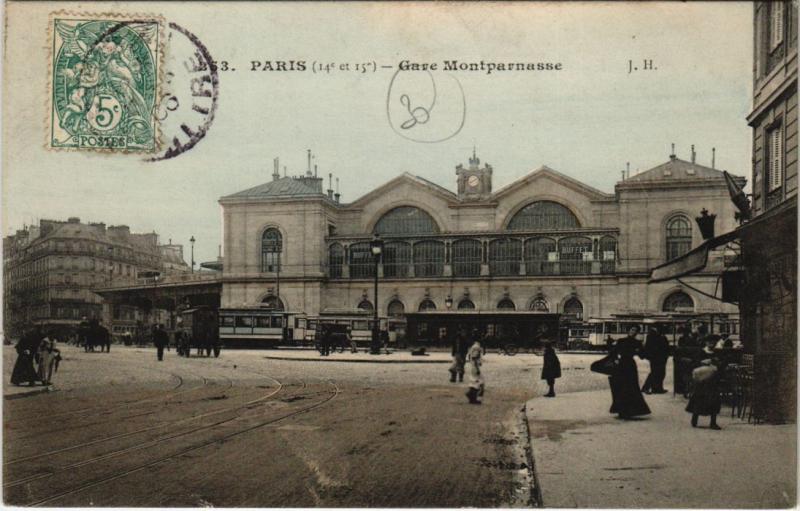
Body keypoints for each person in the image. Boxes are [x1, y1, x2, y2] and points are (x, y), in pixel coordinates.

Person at [608, 326, 651, 419]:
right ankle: (622, 410)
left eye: (635, 331)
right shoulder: (621, 341)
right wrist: (615, 360)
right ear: (629, 330)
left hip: (629, 366)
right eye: (632, 329)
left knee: (631, 387)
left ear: (637, 333)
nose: (633, 332)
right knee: (621, 387)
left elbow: (643, 356)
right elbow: (613, 352)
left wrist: (640, 350)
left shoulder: (637, 343)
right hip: (621, 366)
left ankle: (627, 410)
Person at [686, 358, 722, 430]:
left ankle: (694, 420)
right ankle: (713, 423)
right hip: (711, 390)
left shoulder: (696, 370)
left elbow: (693, 381)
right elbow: (717, 381)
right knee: (714, 405)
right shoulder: (714, 370)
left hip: (699, 390)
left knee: (697, 404)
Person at [641, 326, 670, 394]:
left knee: (660, 373)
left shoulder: (658, 335)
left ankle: (657, 388)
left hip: (661, 357)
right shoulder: (652, 335)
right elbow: (651, 347)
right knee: (655, 373)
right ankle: (646, 387)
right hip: (656, 357)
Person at [465, 334, 485, 404]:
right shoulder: (477, 347)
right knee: (478, 382)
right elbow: (474, 357)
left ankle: (471, 396)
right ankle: (472, 396)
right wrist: (477, 368)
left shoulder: (474, 346)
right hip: (474, 366)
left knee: (474, 381)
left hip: (472, 365)